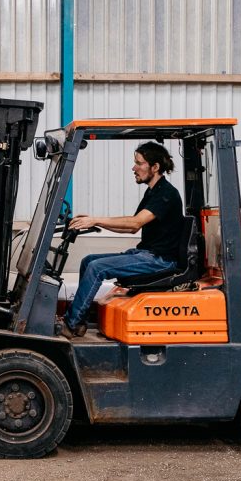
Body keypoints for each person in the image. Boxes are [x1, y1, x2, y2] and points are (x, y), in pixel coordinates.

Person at [59, 141, 183, 339]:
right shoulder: (153, 191)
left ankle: (70, 324)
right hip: (147, 254)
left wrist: (96, 220)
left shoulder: (166, 194)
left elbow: (134, 224)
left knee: (97, 268)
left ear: (155, 167)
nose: (134, 168)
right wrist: (93, 222)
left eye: (139, 163)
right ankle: (79, 321)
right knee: (88, 261)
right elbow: (133, 227)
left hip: (160, 260)